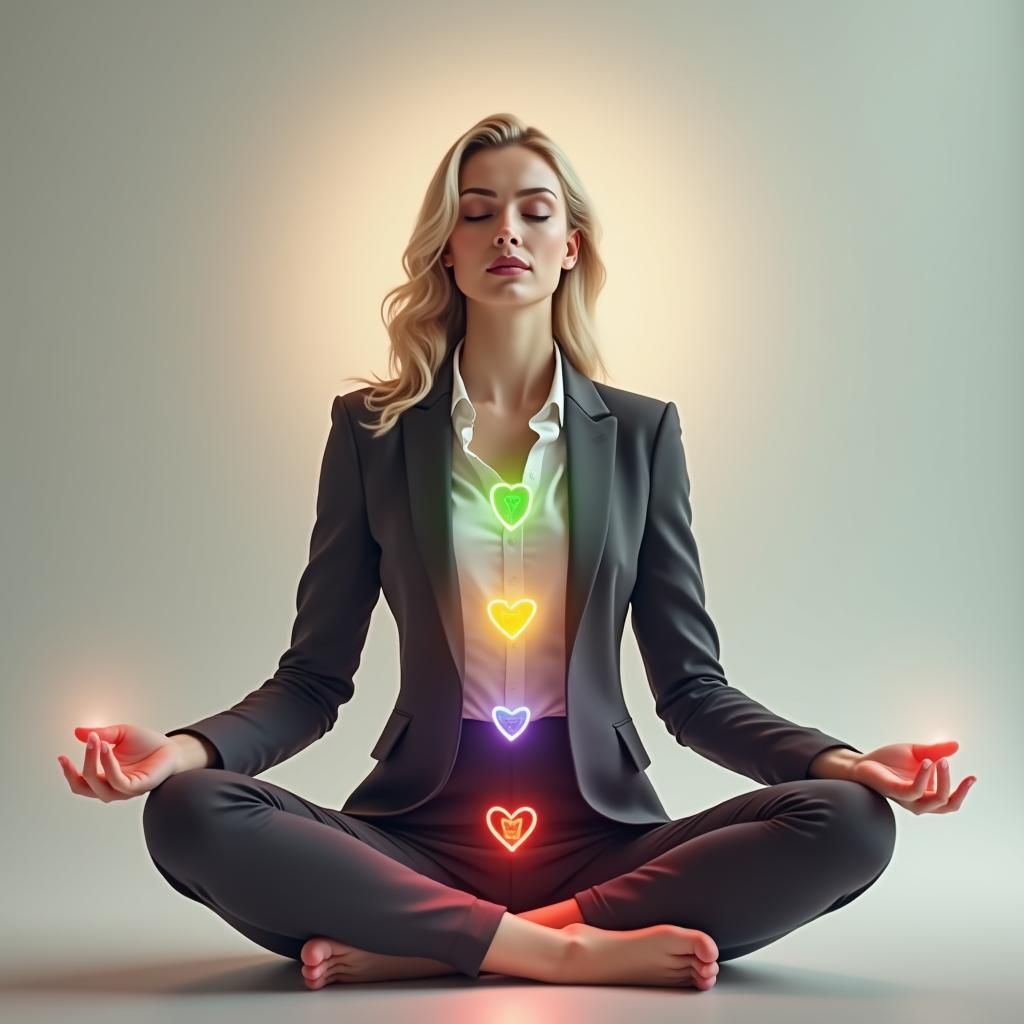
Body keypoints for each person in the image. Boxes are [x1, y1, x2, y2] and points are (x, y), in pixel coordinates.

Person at [59, 113, 977, 992]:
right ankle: (564, 954)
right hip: (417, 834)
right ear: (445, 249)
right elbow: (312, 680)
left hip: (602, 839)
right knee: (190, 812)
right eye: (477, 210)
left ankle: (434, 948)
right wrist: (182, 751)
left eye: (536, 211)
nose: (508, 231)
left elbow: (693, 692)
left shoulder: (642, 436)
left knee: (852, 824)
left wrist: (839, 762)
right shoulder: (371, 433)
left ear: (570, 245)